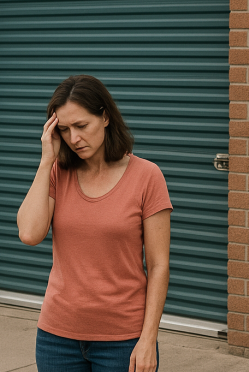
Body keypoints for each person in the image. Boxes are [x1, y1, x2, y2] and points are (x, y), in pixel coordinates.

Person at [17, 75, 172, 372]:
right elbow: (29, 233)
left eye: (81, 126)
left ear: (104, 117)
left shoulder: (147, 176)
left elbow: (158, 265)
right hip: (56, 338)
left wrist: (148, 338)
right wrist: (46, 159)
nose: (73, 138)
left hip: (123, 340)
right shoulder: (57, 174)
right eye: (64, 129)